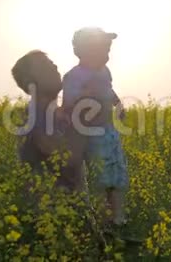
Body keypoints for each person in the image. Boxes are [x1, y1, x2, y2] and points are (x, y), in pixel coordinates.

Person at [62, 27, 129, 232]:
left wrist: (118, 104)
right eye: (102, 50)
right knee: (100, 181)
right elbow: (68, 106)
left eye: (108, 50)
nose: (107, 55)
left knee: (117, 177)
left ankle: (118, 220)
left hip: (109, 131)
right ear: (82, 51)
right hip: (91, 135)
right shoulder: (73, 76)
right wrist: (85, 94)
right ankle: (102, 225)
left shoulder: (104, 71)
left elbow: (109, 89)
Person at [11, 50, 84, 192]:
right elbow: (61, 154)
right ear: (30, 83)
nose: (55, 67)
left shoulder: (56, 114)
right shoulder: (34, 116)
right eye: (46, 67)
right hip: (51, 206)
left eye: (53, 63)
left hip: (69, 205)